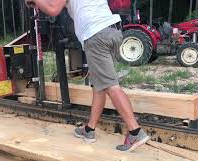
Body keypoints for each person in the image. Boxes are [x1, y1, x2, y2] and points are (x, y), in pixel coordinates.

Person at [25, 0, 150, 151]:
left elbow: (54, 9)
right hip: (112, 31)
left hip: (96, 35)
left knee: (110, 86)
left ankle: (135, 132)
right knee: (98, 86)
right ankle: (89, 130)